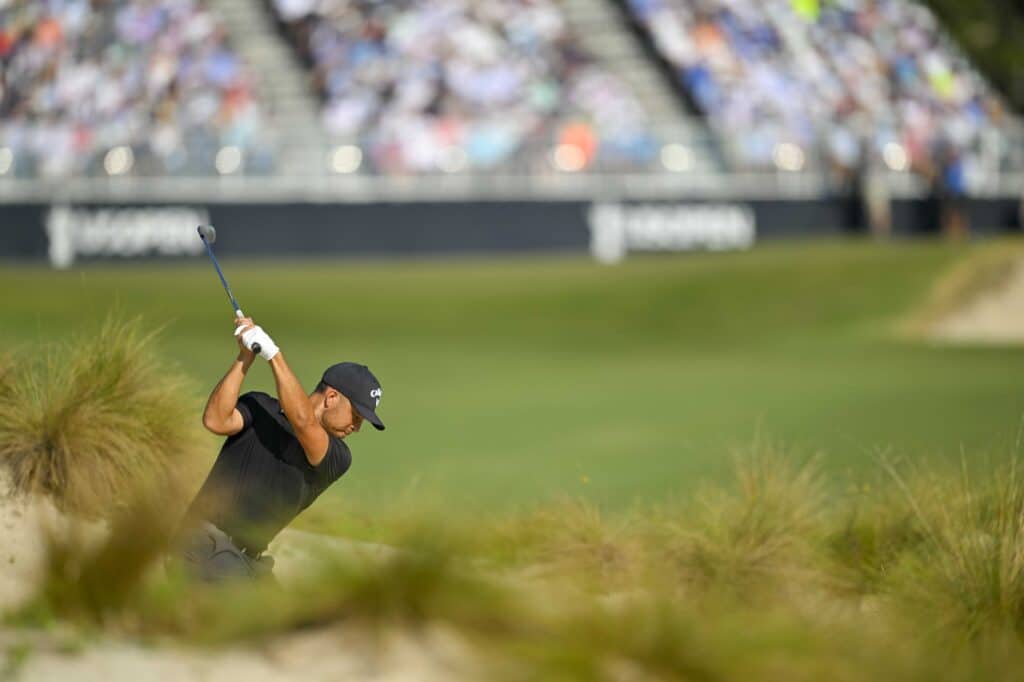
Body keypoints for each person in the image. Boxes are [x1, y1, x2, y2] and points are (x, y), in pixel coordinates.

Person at [176, 316, 385, 581]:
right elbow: (215, 420)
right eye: (356, 416)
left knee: (287, 618)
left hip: (247, 562)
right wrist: (246, 355)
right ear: (332, 398)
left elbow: (304, 422)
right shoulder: (260, 406)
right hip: (202, 544)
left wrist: (272, 353)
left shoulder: (337, 457)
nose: (356, 427)